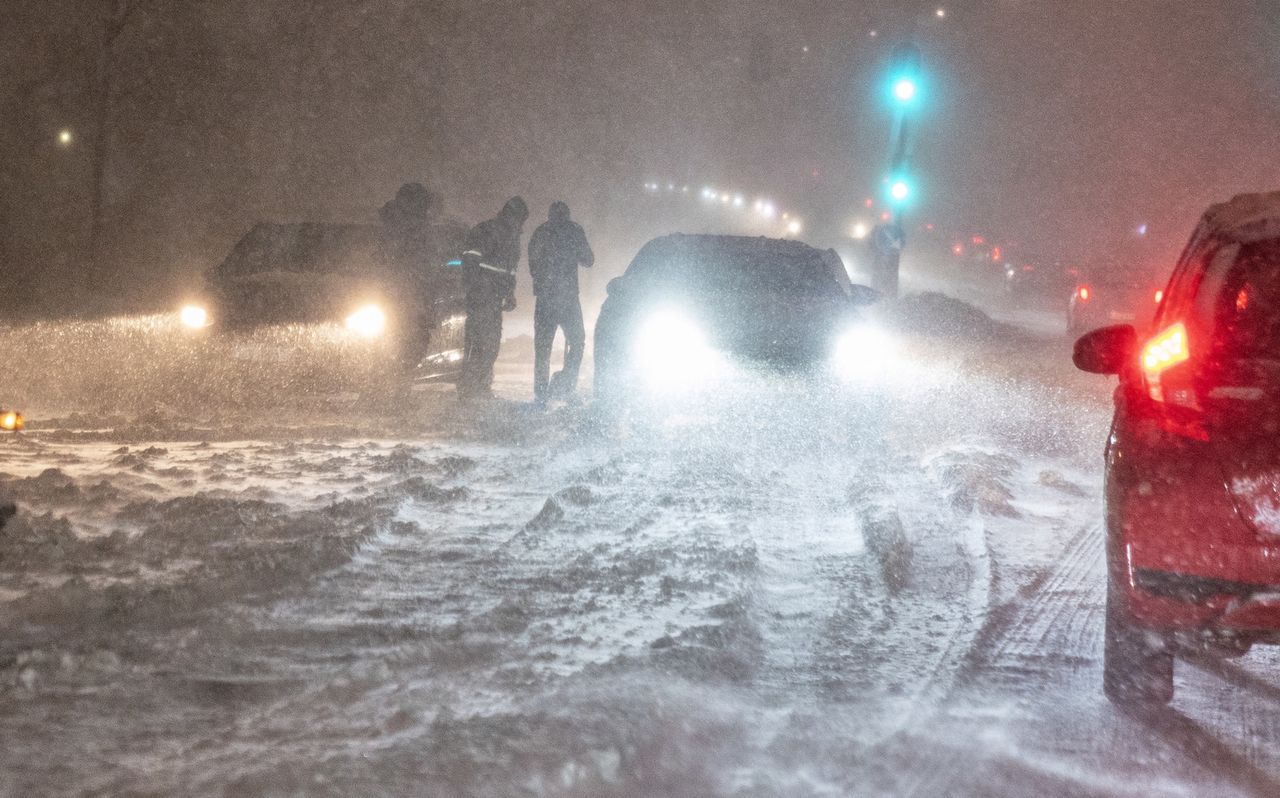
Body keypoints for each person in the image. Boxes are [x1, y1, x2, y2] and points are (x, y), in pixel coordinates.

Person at [458, 196, 528, 398]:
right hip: (482, 297)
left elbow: (510, 270)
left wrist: (509, 293)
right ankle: (470, 389)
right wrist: (478, 287)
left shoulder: (512, 236)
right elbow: (471, 260)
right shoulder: (487, 231)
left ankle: (479, 386)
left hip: (493, 298)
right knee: (479, 344)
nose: (520, 224)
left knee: (490, 345)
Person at [527, 201, 594, 404]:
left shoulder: (541, 232)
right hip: (568, 299)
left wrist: (543, 282)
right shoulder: (574, 231)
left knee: (543, 347)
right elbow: (588, 260)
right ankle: (566, 383)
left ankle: (540, 392)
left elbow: (533, 264)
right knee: (577, 341)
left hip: (546, 298)